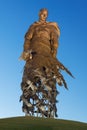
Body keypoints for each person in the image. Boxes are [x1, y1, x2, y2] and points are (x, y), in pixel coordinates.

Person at [20, 8, 73, 117]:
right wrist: (26, 51)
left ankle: (49, 112)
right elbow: (27, 40)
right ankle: (28, 112)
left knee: (48, 81)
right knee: (28, 81)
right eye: (42, 14)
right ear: (39, 14)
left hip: (46, 56)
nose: (44, 16)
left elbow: (55, 42)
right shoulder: (33, 26)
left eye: (46, 14)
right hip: (33, 56)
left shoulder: (51, 27)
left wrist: (53, 57)